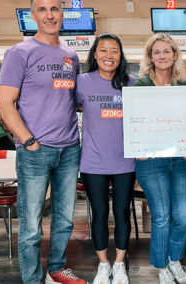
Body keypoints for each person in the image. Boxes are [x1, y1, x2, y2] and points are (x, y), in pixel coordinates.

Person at [0, 0, 87, 283]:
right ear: (33, 15)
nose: (50, 15)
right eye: (43, 10)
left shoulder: (71, 56)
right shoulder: (19, 53)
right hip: (35, 150)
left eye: (55, 9)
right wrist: (29, 140)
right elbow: (4, 103)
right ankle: (33, 278)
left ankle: (56, 270)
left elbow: (71, 102)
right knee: (32, 226)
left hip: (70, 149)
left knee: (64, 220)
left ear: (63, 14)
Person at [76, 33, 136, 284]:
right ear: (94, 55)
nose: (108, 56)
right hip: (93, 162)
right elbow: (62, 109)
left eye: (114, 51)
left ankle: (119, 264)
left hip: (125, 161)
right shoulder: (81, 82)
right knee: (99, 213)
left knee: (122, 212)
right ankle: (103, 264)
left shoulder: (131, 83)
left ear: (120, 56)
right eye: (103, 50)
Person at [134, 33, 186, 284]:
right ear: (150, 57)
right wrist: (136, 143)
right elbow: (135, 122)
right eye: (156, 52)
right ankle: (161, 267)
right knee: (160, 215)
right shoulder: (141, 86)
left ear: (175, 55)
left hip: (182, 159)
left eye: (166, 52)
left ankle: (174, 259)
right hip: (151, 160)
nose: (161, 56)